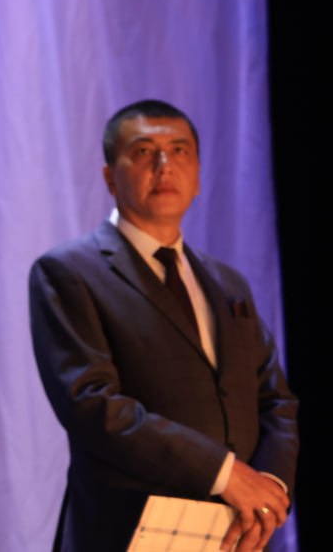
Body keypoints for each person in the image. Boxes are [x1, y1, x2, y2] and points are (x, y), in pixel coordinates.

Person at [28, 100, 298, 552]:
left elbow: (276, 400)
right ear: (110, 177)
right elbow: (91, 404)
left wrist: (268, 488)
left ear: (197, 177)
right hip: (126, 530)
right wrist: (225, 473)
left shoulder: (227, 283)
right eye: (142, 152)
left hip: (237, 532)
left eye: (179, 151)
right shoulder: (67, 271)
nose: (164, 165)